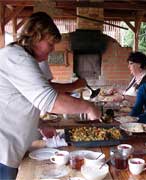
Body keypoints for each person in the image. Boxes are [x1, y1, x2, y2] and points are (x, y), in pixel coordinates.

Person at [0, 12, 101, 179]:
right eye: (50, 43)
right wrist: (88, 106)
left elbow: (22, 99)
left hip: (9, 148)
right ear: (36, 36)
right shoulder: (18, 58)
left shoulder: (20, 57)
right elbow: (49, 100)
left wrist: (40, 123)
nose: (53, 49)